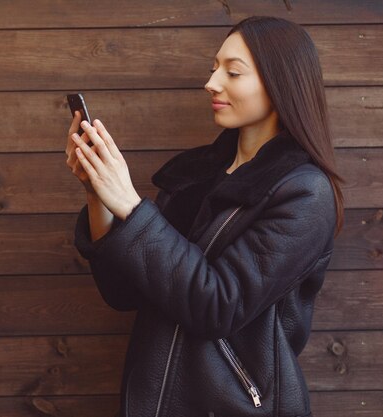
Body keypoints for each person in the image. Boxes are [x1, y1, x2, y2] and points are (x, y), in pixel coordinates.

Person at [65, 15, 343, 417]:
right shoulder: (195, 176)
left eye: (233, 72)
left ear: (280, 83)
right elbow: (123, 293)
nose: (212, 83)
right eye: (214, 69)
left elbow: (218, 305)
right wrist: (99, 196)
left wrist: (130, 203)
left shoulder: (305, 193)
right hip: (155, 403)